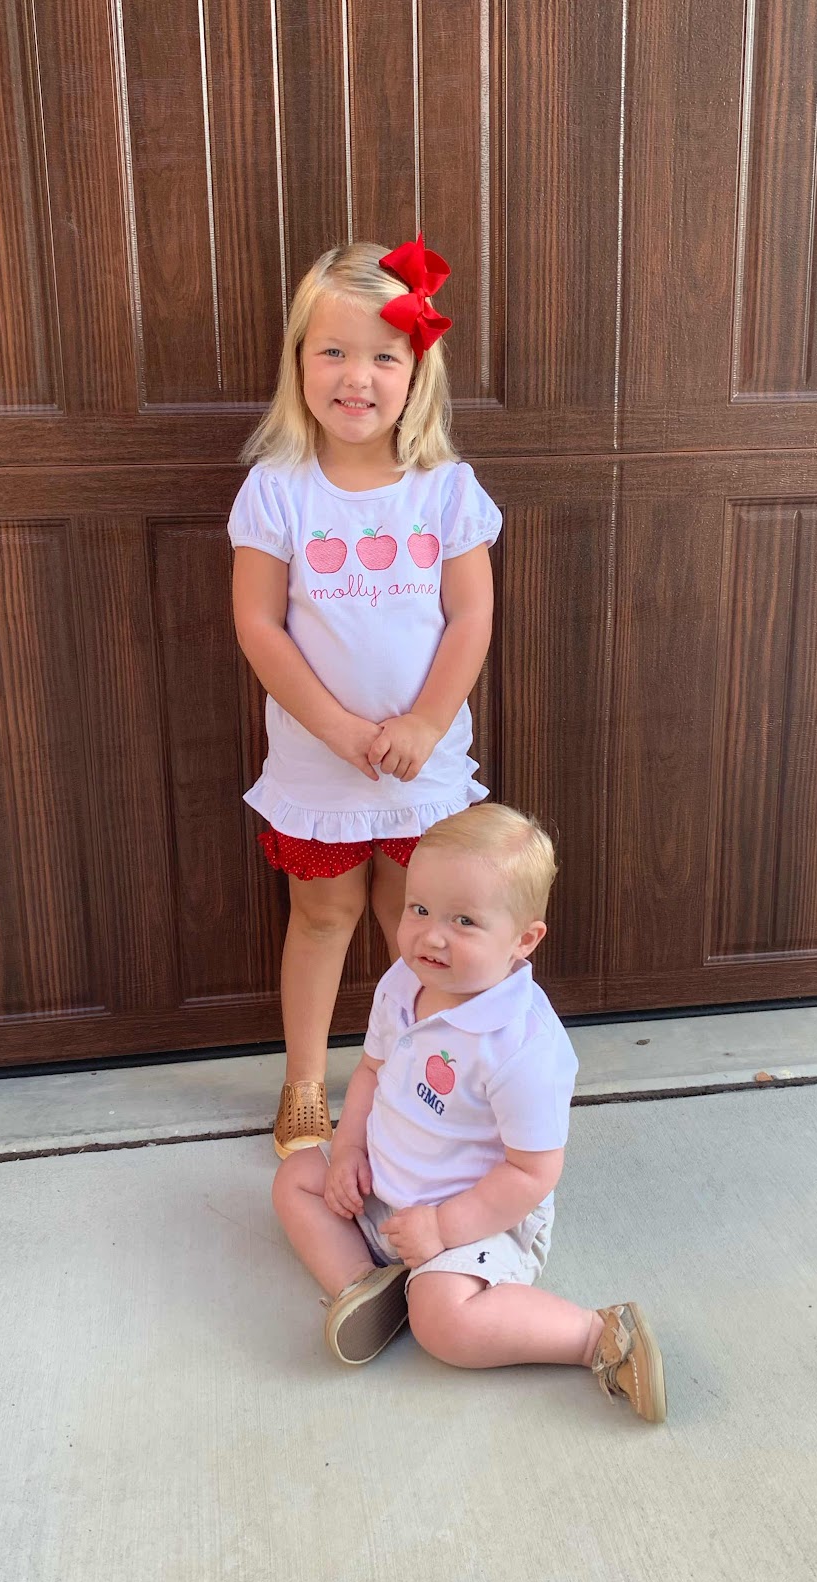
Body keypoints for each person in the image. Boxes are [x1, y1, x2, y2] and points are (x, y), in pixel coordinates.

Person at [230, 236, 499, 1159]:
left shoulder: (446, 490)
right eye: (334, 352)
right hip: (322, 766)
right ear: (299, 362)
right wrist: (340, 729)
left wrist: (424, 722)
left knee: (416, 923)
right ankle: (306, 1082)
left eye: (384, 356)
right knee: (323, 916)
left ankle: (422, 1077)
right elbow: (259, 625)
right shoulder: (277, 492)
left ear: (416, 370)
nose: (357, 377)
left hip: (423, 767)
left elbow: (470, 617)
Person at [272, 805, 667, 1424]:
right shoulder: (401, 984)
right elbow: (372, 1071)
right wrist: (347, 1151)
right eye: (418, 909)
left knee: (445, 1324)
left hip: (478, 1218)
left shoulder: (522, 1046)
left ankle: (597, 1337)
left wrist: (443, 1229)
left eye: (463, 921)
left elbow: (532, 1173)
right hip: (388, 1186)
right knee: (298, 1176)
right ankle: (365, 1285)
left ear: (523, 940)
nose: (431, 936)